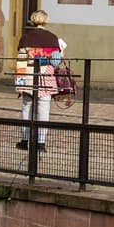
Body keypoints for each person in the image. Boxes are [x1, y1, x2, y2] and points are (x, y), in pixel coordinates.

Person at [14, 10, 66, 151]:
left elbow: (21, 63)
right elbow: (55, 63)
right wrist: (61, 51)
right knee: (43, 110)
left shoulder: (25, 38)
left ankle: (25, 140)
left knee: (27, 109)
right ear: (46, 20)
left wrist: (19, 84)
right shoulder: (53, 38)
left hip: (29, 77)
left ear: (32, 20)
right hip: (46, 76)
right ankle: (41, 143)